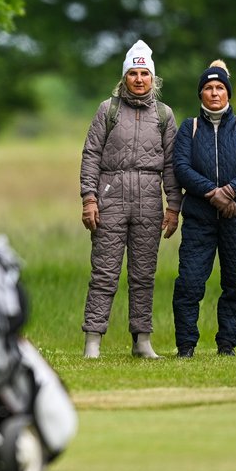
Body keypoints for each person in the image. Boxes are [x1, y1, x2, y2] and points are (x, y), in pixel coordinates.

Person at [79, 40, 182, 359]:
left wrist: (174, 206)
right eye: (133, 73)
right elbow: (91, 154)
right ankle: (93, 342)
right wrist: (89, 197)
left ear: (154, 79)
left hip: (150, 201)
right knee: (104, 272)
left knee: (143, 274)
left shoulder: (164, 115)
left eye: (144, 73)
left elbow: (171, 164)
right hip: (110, 197)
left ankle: (142, 342)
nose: (139, 79)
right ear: (124, 77)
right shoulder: (106, 110)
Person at [171, 59, 236, 358]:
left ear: (228, 93)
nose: (214, 93)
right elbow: (181, 168)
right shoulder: (190, 127)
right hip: (199, 218)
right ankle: (186, 346)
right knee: (189, 283)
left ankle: (226, 345)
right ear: (200, 94)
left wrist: (231, 191)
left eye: (220, 88)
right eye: (208, 88)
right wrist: (213, 194)